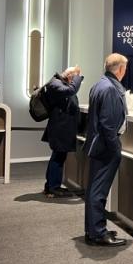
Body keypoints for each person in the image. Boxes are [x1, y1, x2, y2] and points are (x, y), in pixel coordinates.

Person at [83, 53, 129, 247]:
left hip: (98, 145)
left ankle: (93, 229)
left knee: (94, 189)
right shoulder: (110, 88)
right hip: (105, 147)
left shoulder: (99, 84)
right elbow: (108, 124)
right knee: (98, 191)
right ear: (120, 69)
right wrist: (115, 147)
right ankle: (98, 233)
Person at [41, 65, 83, 198]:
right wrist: (78, 78)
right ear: (70, 76)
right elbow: (71, 91)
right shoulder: (55, 83)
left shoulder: (59, 83)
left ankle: (50, 186)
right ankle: (53, 187)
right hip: (59, 128)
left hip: (62, 127)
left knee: (58, 156)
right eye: (75, 77)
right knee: (58, 157)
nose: (76, 81)